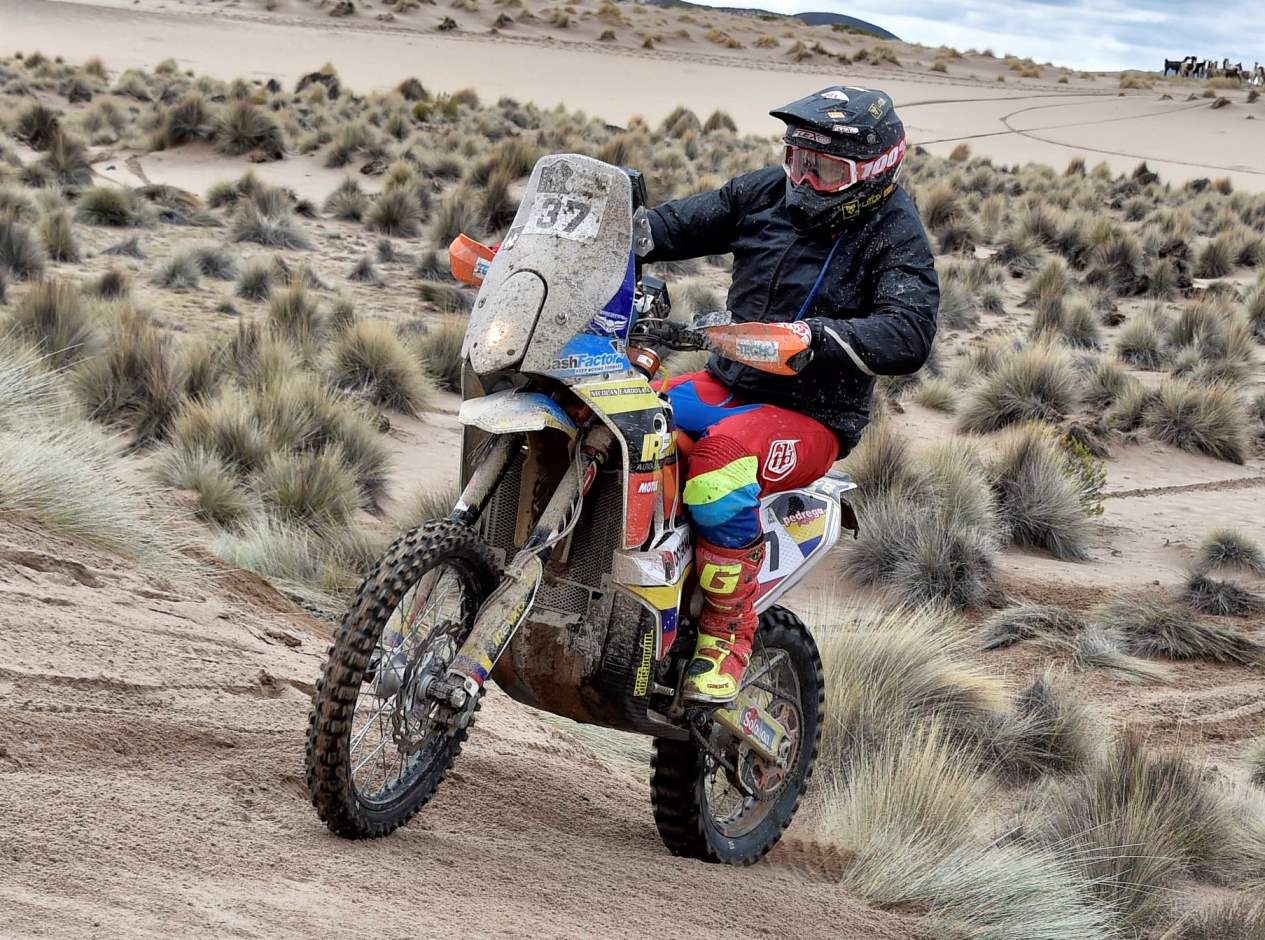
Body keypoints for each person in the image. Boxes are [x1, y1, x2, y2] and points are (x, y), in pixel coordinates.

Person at [642, 85, 939, 703]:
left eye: (825, 168)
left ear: (874, 175)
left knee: (719, 465)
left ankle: (728, 633)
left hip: (811, 416)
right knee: (626, 419)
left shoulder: (894, 231)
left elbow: (909, 329)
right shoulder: (765, 192)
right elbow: (678, 225)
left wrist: (816, 338)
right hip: (727, 382)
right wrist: (615, 230)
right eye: (796, 158)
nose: (803, 179)